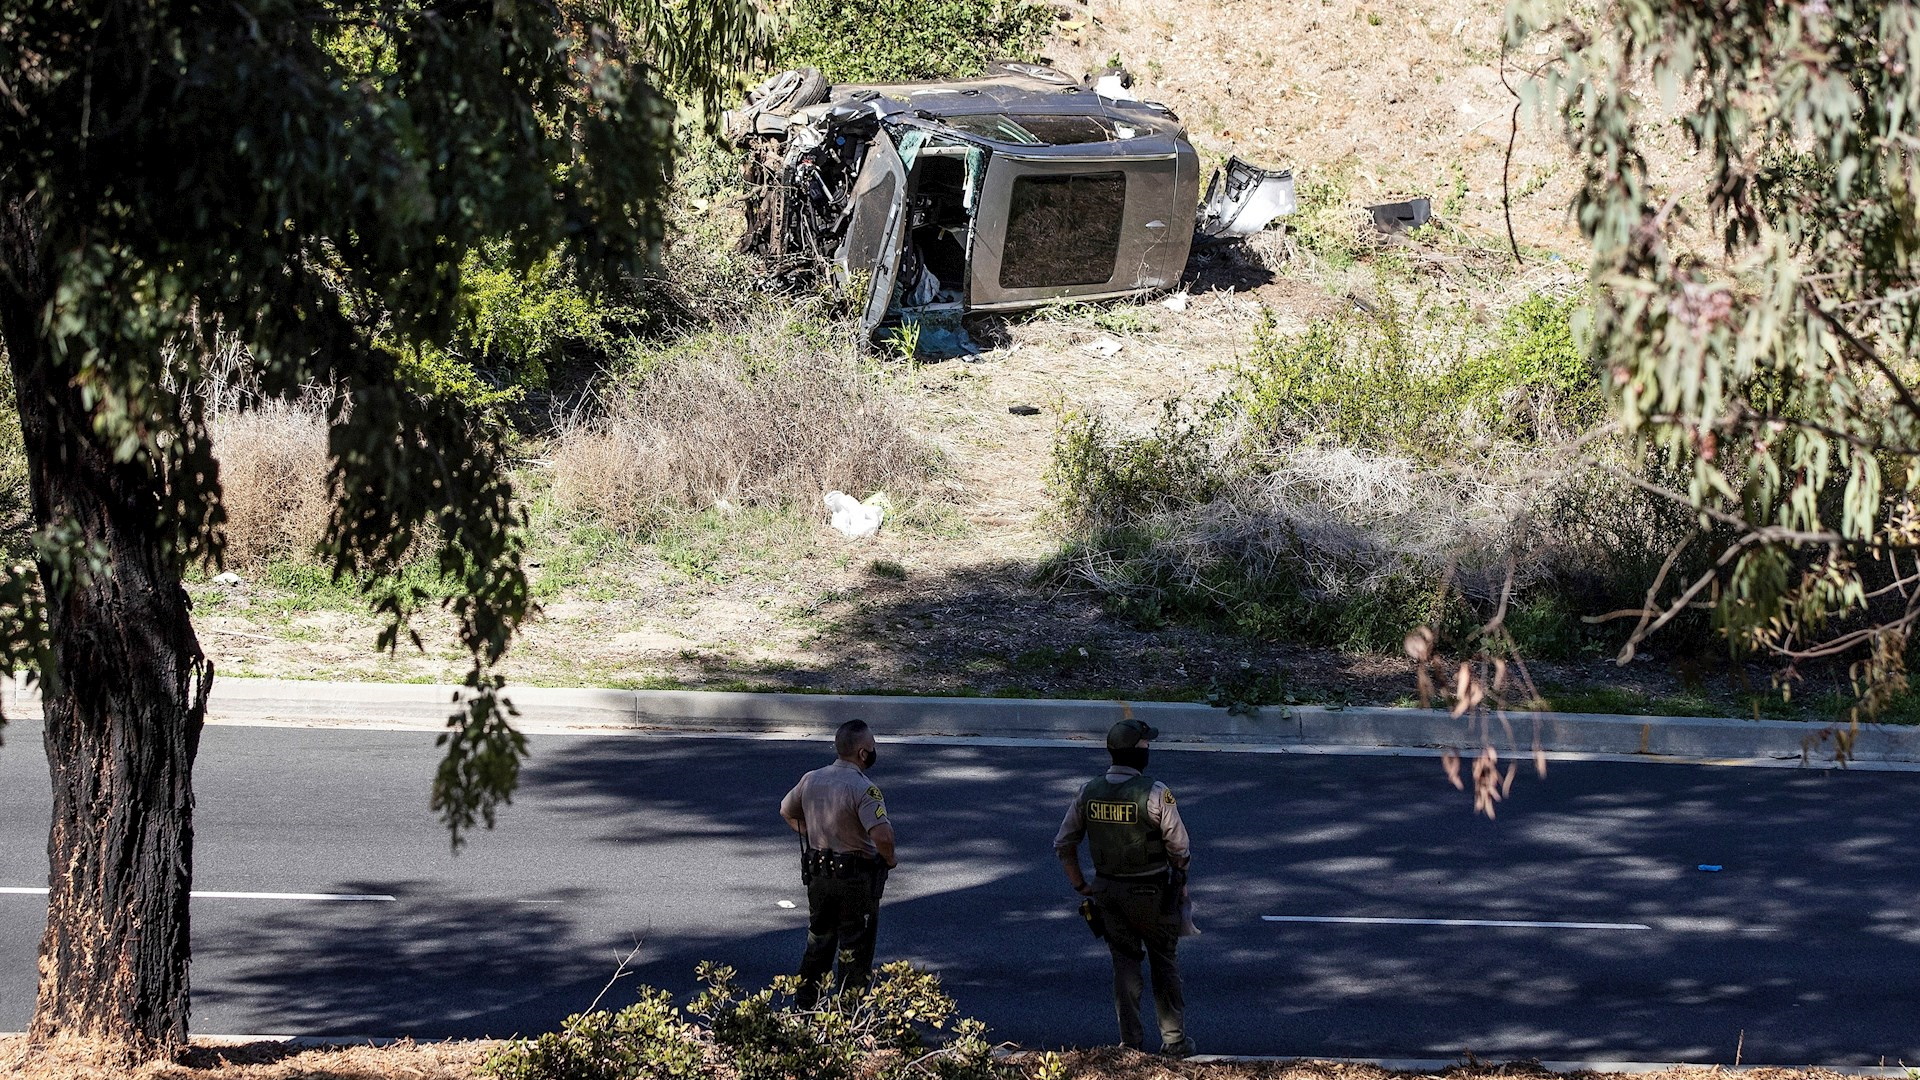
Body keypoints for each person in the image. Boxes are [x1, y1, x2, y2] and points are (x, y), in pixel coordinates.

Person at [1053, 717, 1195, 1057]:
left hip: (1107, 891)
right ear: (1139, 752)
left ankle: (1130, 1043)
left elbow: (1063, 843)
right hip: (1153, 893)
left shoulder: (1088, 791)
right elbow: (1180, 848)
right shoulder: (1157, 793)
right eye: (1147, 745)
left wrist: (1080, 884)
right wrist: (1180, 877)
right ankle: (1174, 1041)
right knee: (1164, 963)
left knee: (1125, 965)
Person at [780, 719, 896, 1007]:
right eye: (872, 746)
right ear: (862, 753)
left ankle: (804, 1007)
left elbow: (787, 811)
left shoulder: (811, 779)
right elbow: (882, 835)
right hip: (855, 880)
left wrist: (814, 833)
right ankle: (848, 1016)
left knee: (818, 943)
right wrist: (890, 859)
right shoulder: (863, 788)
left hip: (819, 875)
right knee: (854, 950)